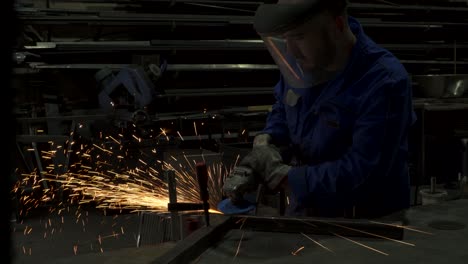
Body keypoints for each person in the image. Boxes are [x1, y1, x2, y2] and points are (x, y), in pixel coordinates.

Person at [222, 0, 416, 218]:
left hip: (367, 222)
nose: (292, 51)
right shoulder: (301, 65)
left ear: (338, 25)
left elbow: (366, 171)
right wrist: (267, 143)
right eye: (285, 39)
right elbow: (284, 109)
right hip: (308, 210)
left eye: (299, 37)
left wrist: (286, 177)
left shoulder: (383, 81)